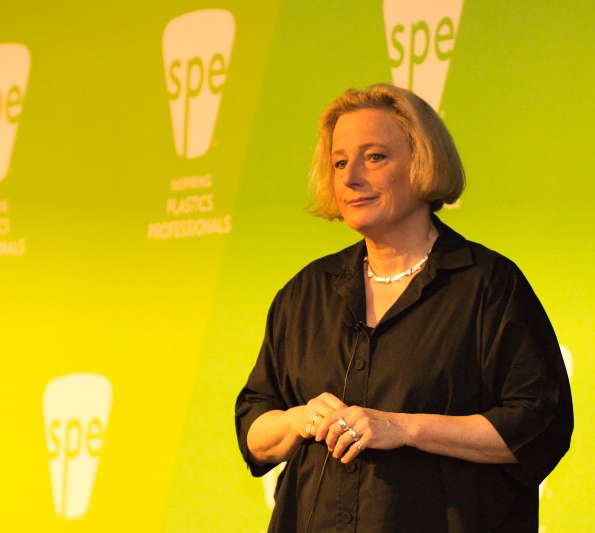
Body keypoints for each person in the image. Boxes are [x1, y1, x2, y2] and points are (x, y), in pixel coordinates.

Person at [234, 83, 573, 532]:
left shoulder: (487, 284)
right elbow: (254, 430)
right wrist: (299, 419)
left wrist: (404, 428)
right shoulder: (305, 293)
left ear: (422, 163)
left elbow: (539, 422)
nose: (351, 177)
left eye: (374, 157)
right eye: (339, 163)